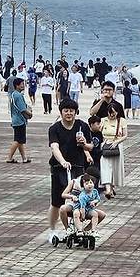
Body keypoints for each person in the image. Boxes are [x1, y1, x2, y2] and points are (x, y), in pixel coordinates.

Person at [46, 98, 92, 243]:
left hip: (78, 168)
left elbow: (90, 147)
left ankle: (76, 228)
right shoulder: (54, 128)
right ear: (61, 112)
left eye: (71, 110)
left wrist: (84, 144)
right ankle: (52, 230)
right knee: (56, 201)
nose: (68, 113)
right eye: (65, 110)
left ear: (75, 112)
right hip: (59, 168)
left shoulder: (82, 126)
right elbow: (54, 147)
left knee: (78, 199)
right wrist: (62, 161)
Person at [99, 104, 127, 199]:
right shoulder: (103, 120)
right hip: (105, 145)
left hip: (117, 146)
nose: (112, 115)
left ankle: (111, 188)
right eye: (110, 113)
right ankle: (107, 189)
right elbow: (98, 132)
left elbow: (125, 135)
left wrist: (117, 141)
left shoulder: (122, 121)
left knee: (115, 168)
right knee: (105, 167)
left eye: (114, 113)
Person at [6, 78, 32, 163]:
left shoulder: (13, 94)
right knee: (17, 140)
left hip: (15, 119)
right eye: (21, 84)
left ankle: (24, 158)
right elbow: (22, 109)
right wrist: (30, 114)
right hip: (20, 120)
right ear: (17, 85)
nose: (23, 85)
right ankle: (9, 157)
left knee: (20, 140)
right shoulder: (18, 95)